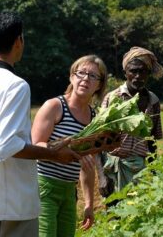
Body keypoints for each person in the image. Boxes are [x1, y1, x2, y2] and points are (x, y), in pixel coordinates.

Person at [0, 11, 80, 237]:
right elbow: (7, 145)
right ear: (18, 41)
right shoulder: (16, 85)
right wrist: (53, 153)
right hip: (13, 200)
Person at [31, 55, 108, 237]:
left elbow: (87, 164)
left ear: (99, 85)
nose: (85, 79)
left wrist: (89, 203)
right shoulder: (55, 106)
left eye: (93, 76)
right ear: (72, 77)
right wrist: (62, 149)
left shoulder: (94, 119)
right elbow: (34, 147)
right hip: (44, 187)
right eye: (81, 73)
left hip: (68, 191)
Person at [96, 46, 163, 200]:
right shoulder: (113, 98)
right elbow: (98, 142)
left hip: (140, 170)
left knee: (139, 217)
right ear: (125, 72)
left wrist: (154, 172)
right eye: (133, 71)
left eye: (142, 71)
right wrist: (101, 177)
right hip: (114, 169)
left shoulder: (153, 102)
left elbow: (152, 142)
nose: (138, 76)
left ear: (148, 73)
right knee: (114, 218)